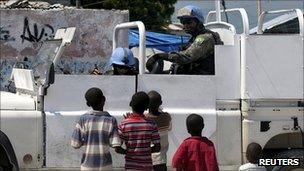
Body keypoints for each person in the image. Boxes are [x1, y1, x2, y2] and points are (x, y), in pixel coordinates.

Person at [146, 5, 223, 75]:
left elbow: (187, 56)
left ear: (198, 22)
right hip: (191, 78)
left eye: (189, 22)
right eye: (183, 22)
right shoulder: (193, 39)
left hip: (201, 80)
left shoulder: (205, 38)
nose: (186, 25)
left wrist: (161, 56)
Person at [70, 87, 121, 170]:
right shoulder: (111, 120)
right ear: (104, 99)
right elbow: (116, 143)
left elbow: (75, 144)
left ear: (88, 104)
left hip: (87, 166)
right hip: (105, 167)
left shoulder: (83, 120)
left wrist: (86, 141)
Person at [117, 91, 161, 170]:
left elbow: (117, 148)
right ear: (147, 107)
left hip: (130, 167)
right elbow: (157, 147)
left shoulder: (124, 124)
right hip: (146, 167)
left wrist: (128, 152)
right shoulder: (151, 124)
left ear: (131, 104)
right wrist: (145, 152)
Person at [145, 90, 172, 171]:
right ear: (161, 102)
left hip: (147, 158)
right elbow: (169, 128)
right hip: (162, 159)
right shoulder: (167, 116)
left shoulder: (145, 119)